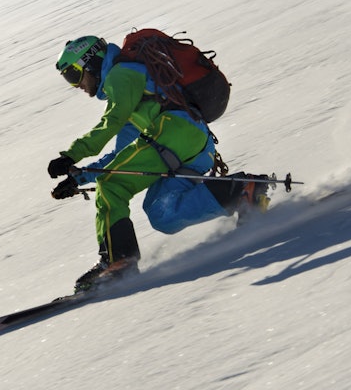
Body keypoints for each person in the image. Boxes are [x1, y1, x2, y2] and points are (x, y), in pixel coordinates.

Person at [48, 35, 272, 292]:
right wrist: (78, 177)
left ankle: (118, 261)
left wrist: (71, 155)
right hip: (193, 143)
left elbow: (112, 121)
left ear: (91, 63)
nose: (76, 85)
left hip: (172, 133)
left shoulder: (121, 75)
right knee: (162, 213)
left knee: (111, 186)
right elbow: (122, 155)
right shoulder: (135, 92)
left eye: (74, 75)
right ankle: (243, 192)